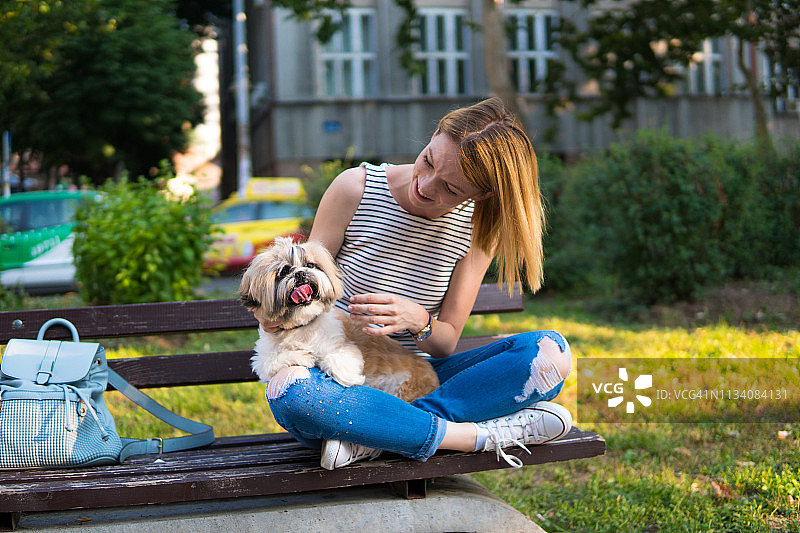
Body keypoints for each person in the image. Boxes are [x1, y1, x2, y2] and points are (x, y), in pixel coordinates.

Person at [256, 97, 573, 469]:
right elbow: (303, 279)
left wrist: (419, 320)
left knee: (548, 354)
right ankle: (474, 438)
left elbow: (445, 343)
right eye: (429, 160)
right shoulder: (355, 189)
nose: (426, 185)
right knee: (292, 393)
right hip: (334, 376)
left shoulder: (477, 230)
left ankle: (374, 436)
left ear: (481, 194)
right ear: (436, 132)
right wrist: (275, 315)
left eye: (452, 189)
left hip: (414, 376)